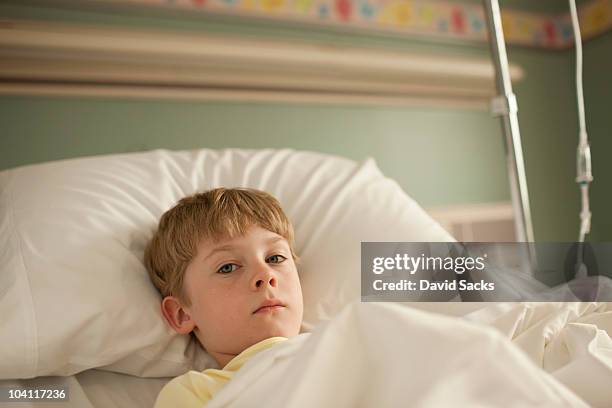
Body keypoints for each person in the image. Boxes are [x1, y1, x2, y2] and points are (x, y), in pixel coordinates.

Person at [144, 187, 304, 407]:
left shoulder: (344, 337)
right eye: (228, 267)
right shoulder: (195, 392)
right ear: (182, 313)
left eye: (275, 258)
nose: (266, 275)